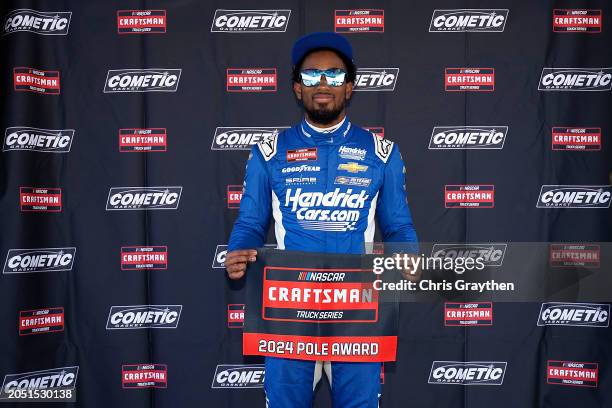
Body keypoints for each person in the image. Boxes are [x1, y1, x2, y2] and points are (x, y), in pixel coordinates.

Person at [226, 32, 418, 408]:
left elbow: (398, 225)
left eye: (334, 75)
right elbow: (251, 223)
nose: (323, 84)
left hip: (356, 309)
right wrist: (238, 251)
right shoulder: (269, 152)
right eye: (311, 77)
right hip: (289, 309)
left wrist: (407, 255)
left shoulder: (382, 153)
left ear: (350, 87)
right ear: (297, 88)